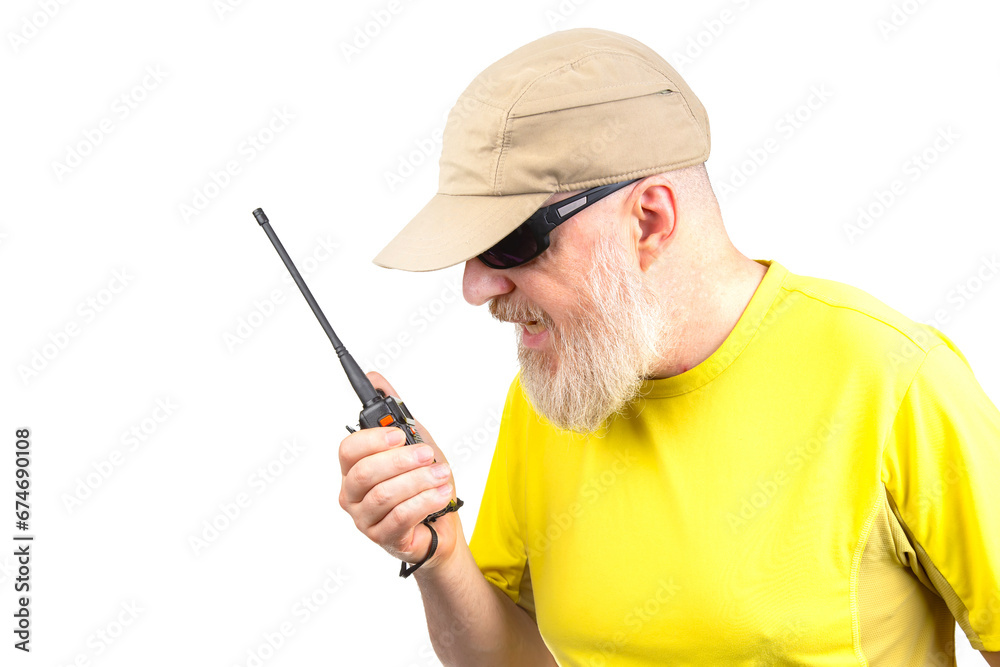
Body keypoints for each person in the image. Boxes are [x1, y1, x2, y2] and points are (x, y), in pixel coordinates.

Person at [338, 28, 1000, 665]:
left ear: (650, 220)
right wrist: (441, 553)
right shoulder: (558, 389)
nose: (475, 286)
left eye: (509, 243)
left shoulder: (892, 378)